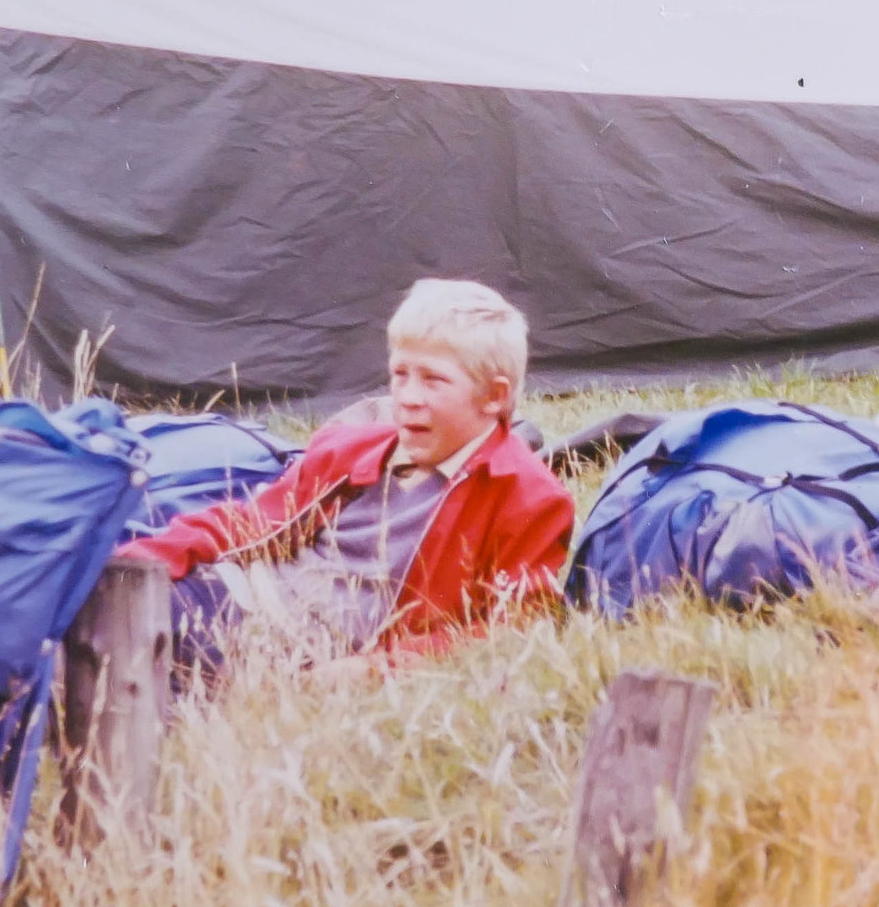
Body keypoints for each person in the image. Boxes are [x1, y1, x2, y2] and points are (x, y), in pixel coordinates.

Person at [115, 279, 575, 674]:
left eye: (433, 380)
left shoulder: (527, 497)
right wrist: (138, 560)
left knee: (134, 662)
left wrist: (372, 670)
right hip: (244, 594)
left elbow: (511, 629)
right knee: (107, 609)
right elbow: (249, 522)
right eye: (400, 374)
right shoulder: (352, 449)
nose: (407, 397)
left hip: (301, 650)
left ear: (494, 397)